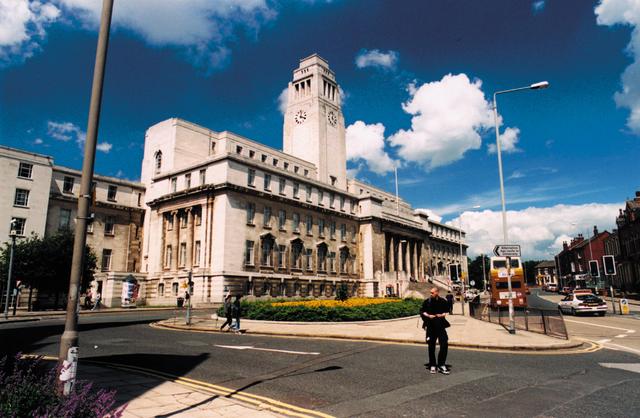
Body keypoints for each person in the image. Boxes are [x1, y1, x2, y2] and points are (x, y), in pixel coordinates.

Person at [420, 287, 451, 375]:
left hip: (441, 326)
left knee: (444, 343)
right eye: (430, 292)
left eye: (432, 292)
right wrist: (428, 316)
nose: (431, 294)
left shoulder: (443, 301)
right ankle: (432, 364)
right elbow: (422, 312)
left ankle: (441, 364)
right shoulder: (427, 302)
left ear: (437, 292)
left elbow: (446, 311)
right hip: (430, 326)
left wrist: (442, 315)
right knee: (431, 346)